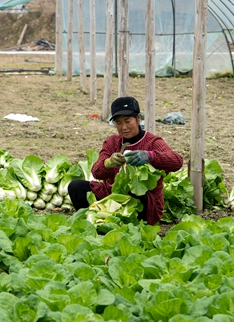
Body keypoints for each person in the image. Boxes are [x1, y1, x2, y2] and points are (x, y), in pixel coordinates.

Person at [68, 96, 184, 225]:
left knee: (134, 189)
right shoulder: (112, 142)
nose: (124, 127)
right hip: (112, 195)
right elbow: (96, 173)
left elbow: (177, 161)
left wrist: (150, 156)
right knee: (76, 187)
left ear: (138, 118)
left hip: (143, 201)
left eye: (127, 121)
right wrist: (107, 163)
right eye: (118, 123)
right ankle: (95, 222)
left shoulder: (152, 142)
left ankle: (127, 223)